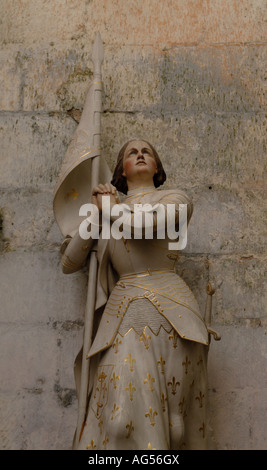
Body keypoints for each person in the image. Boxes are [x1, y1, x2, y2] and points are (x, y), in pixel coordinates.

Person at [62, 139, 215, 450]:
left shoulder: (176, 199)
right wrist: (95, 215)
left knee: (176, 426)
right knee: (118, 420)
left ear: (157, 167)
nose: (140, 155)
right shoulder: (108, 212)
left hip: (174, 314)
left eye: (147, 151)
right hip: (123, 314)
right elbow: (69, 262)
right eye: (132, 152)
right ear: (121, 170)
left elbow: (146, 226)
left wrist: (111, 210)